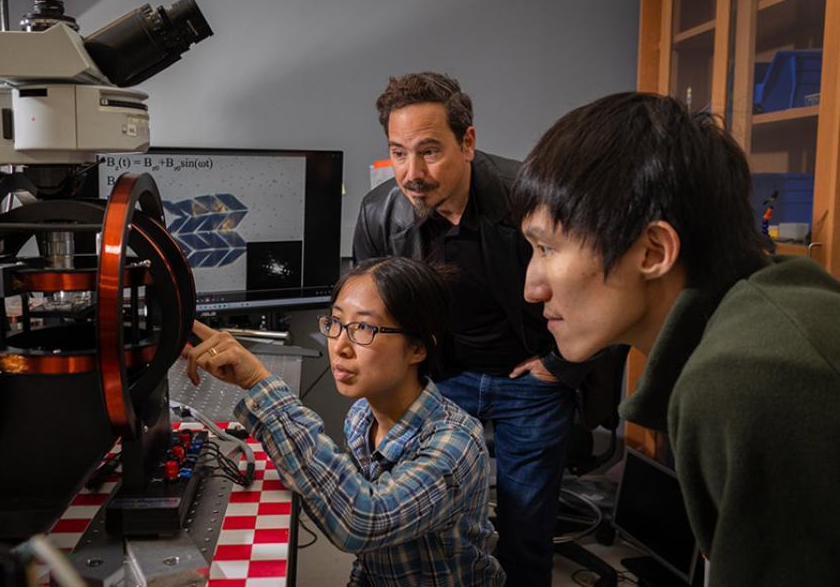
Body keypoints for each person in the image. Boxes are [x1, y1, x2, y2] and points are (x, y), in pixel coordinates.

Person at [511, 91, 840, 586]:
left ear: (654, 250)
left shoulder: (746, 376)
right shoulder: (764, 304)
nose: (532, 288)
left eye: (547, 247)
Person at [353, 71, 608, 586]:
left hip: (531, 382)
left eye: (429, 151)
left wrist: (561, 367)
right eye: (398, 152)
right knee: (431, 523)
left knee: (526, 528)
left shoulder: (530, 199)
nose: (411, 172)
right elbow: (373, 312)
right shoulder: (380, 213)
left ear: (468, 142)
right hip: (443, 381)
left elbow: (599, 290)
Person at [184, 256, 505, 586]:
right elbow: (372, 559)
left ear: (418, 348)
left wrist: (259, 383)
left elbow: (363, 523)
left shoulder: (454, 444)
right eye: (335, 323)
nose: (340, 346)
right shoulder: (362, 419)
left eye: (364, 327)